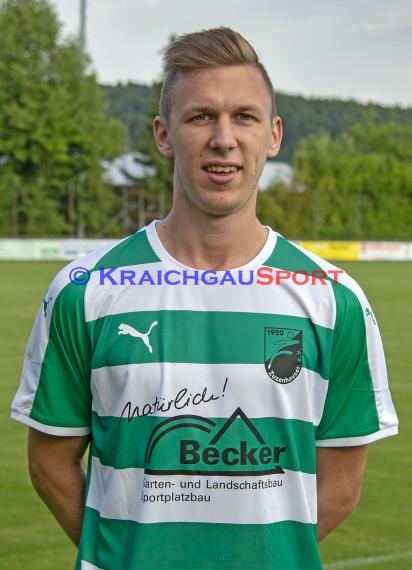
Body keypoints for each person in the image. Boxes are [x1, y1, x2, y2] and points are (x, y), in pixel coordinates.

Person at [11, 27, 398, 570]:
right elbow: (50, 463)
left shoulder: (334, 299)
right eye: (200, 117)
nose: (223, 138)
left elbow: (341, 484)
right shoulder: (85, 290)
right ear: (164, 134)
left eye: (244, 116)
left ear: (274, 134)